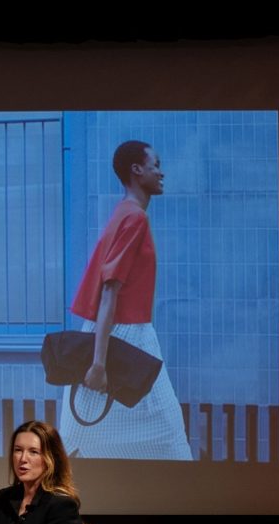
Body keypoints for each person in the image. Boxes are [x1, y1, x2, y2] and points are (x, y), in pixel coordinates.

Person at [58, 140, 192, 460]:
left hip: (115, 335)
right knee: (170, 434)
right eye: (155, 165)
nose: (161, 172)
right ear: (136, 170)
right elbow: (109, 291)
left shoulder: (123, 213)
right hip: (126, 338)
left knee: (81, 437)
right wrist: (99, 364)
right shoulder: (135, 218)